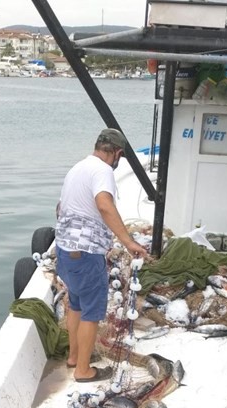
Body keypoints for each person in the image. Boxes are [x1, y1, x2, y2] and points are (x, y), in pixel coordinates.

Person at [55, 128, 149, 384]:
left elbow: (60, 208)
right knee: (92, 312)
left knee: (76, 305)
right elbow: (104, 204)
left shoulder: (78, 167)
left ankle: (75, 357)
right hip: (86, 255)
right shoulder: (103, 171)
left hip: (65, 252)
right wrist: (128, 242)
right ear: (117, 153)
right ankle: (83, 370)